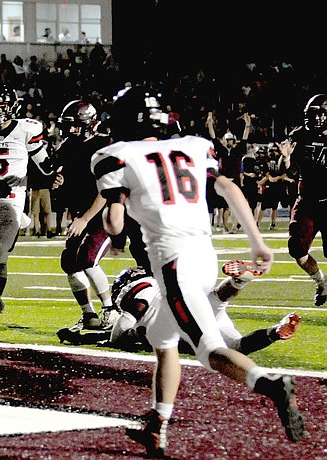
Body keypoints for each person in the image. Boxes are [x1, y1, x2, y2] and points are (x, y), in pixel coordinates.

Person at [91, 85, 304, 457]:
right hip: (204, 255)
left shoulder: (116, 155)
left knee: (209, 350)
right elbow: (225, 186)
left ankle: (268, 382)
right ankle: (158, 425)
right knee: (162, 338)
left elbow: (113, 225)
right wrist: (257, 241)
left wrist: (119, 202)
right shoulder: (193, 145)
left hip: (174, 263)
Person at [58, 261, 302, 354]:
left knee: (217, 313)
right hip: (190, 306)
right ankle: (275, 330)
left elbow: (120, 332)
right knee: (223, 316)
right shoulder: (155, 284)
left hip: (180, 319)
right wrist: (83, 338)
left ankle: (244, 284)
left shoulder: (142, 289)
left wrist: (131, 336)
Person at [0, 84, 62, 326]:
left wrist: (53, 174)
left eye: (1, 106)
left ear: (12, 107)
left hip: (11, 201)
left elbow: (44, 166)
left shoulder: (26, 129)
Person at [51, 100, 120, 334]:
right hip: (82, 213)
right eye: (68, 126)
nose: (71, 131)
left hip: (106, 212)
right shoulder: (67, 148)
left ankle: (110, 310)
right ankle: (88, 314)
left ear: (90, 124)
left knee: (87, 258)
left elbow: (106, 189)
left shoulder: (104, 146)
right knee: (69, 261)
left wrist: (85, 219)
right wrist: (58, 185)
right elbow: (64, 185)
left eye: (76, 126)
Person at [280, 93, 327, 306]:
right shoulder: (299, 135)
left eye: (322, 114)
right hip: (307, 201)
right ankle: (321, 282)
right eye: (314, 114)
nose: (318, 118)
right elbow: (285, 169)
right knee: (297, 251)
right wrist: (286, 157)